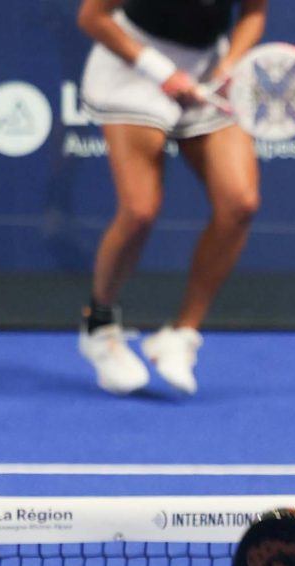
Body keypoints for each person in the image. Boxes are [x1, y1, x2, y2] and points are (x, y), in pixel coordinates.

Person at [73, 0, 266, 396]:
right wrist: (160, 71)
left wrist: (230, 64)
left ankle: (180, 336)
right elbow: (91, 17)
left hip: (207, 66)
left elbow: (253, 12)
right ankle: (99, 326)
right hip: (133, 62)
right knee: (139, 211)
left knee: (239, 204)